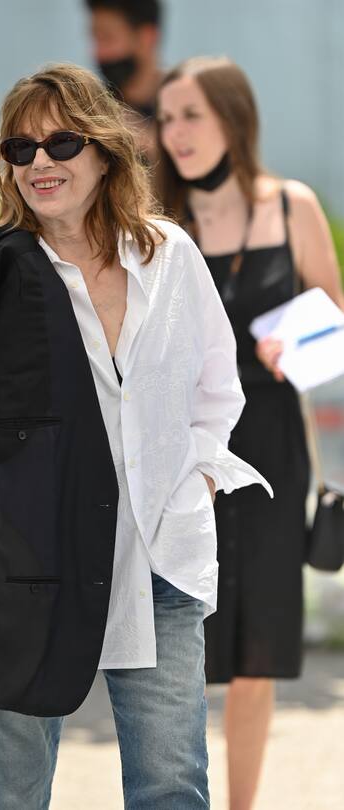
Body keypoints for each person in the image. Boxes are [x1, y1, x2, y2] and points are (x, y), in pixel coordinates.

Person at [0, 63, 270, 809]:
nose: (41, 163)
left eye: (60, 143)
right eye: (21, 151)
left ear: (105, 150)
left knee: (169, 788)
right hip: (24, 567)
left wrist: (197, 484)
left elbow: (218, 388)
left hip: (159, 560)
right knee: (8, 793)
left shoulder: (169, 257)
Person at [156, 56, 344, 810]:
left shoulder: (291, 206)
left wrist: (295, 344)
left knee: (259, 647)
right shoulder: (159, 219)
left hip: (269, 448)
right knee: (178, 643)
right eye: (167, 118)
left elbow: (335, 328)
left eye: (191, 114)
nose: (176, 133)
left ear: (234, 118)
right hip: (183, 451)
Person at [85, 0, 165, 162]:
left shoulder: (187, 101)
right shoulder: (91, 108)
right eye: (95, 38)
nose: (98, 53)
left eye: (107, 38)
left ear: (147, 38)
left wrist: (149, 145)